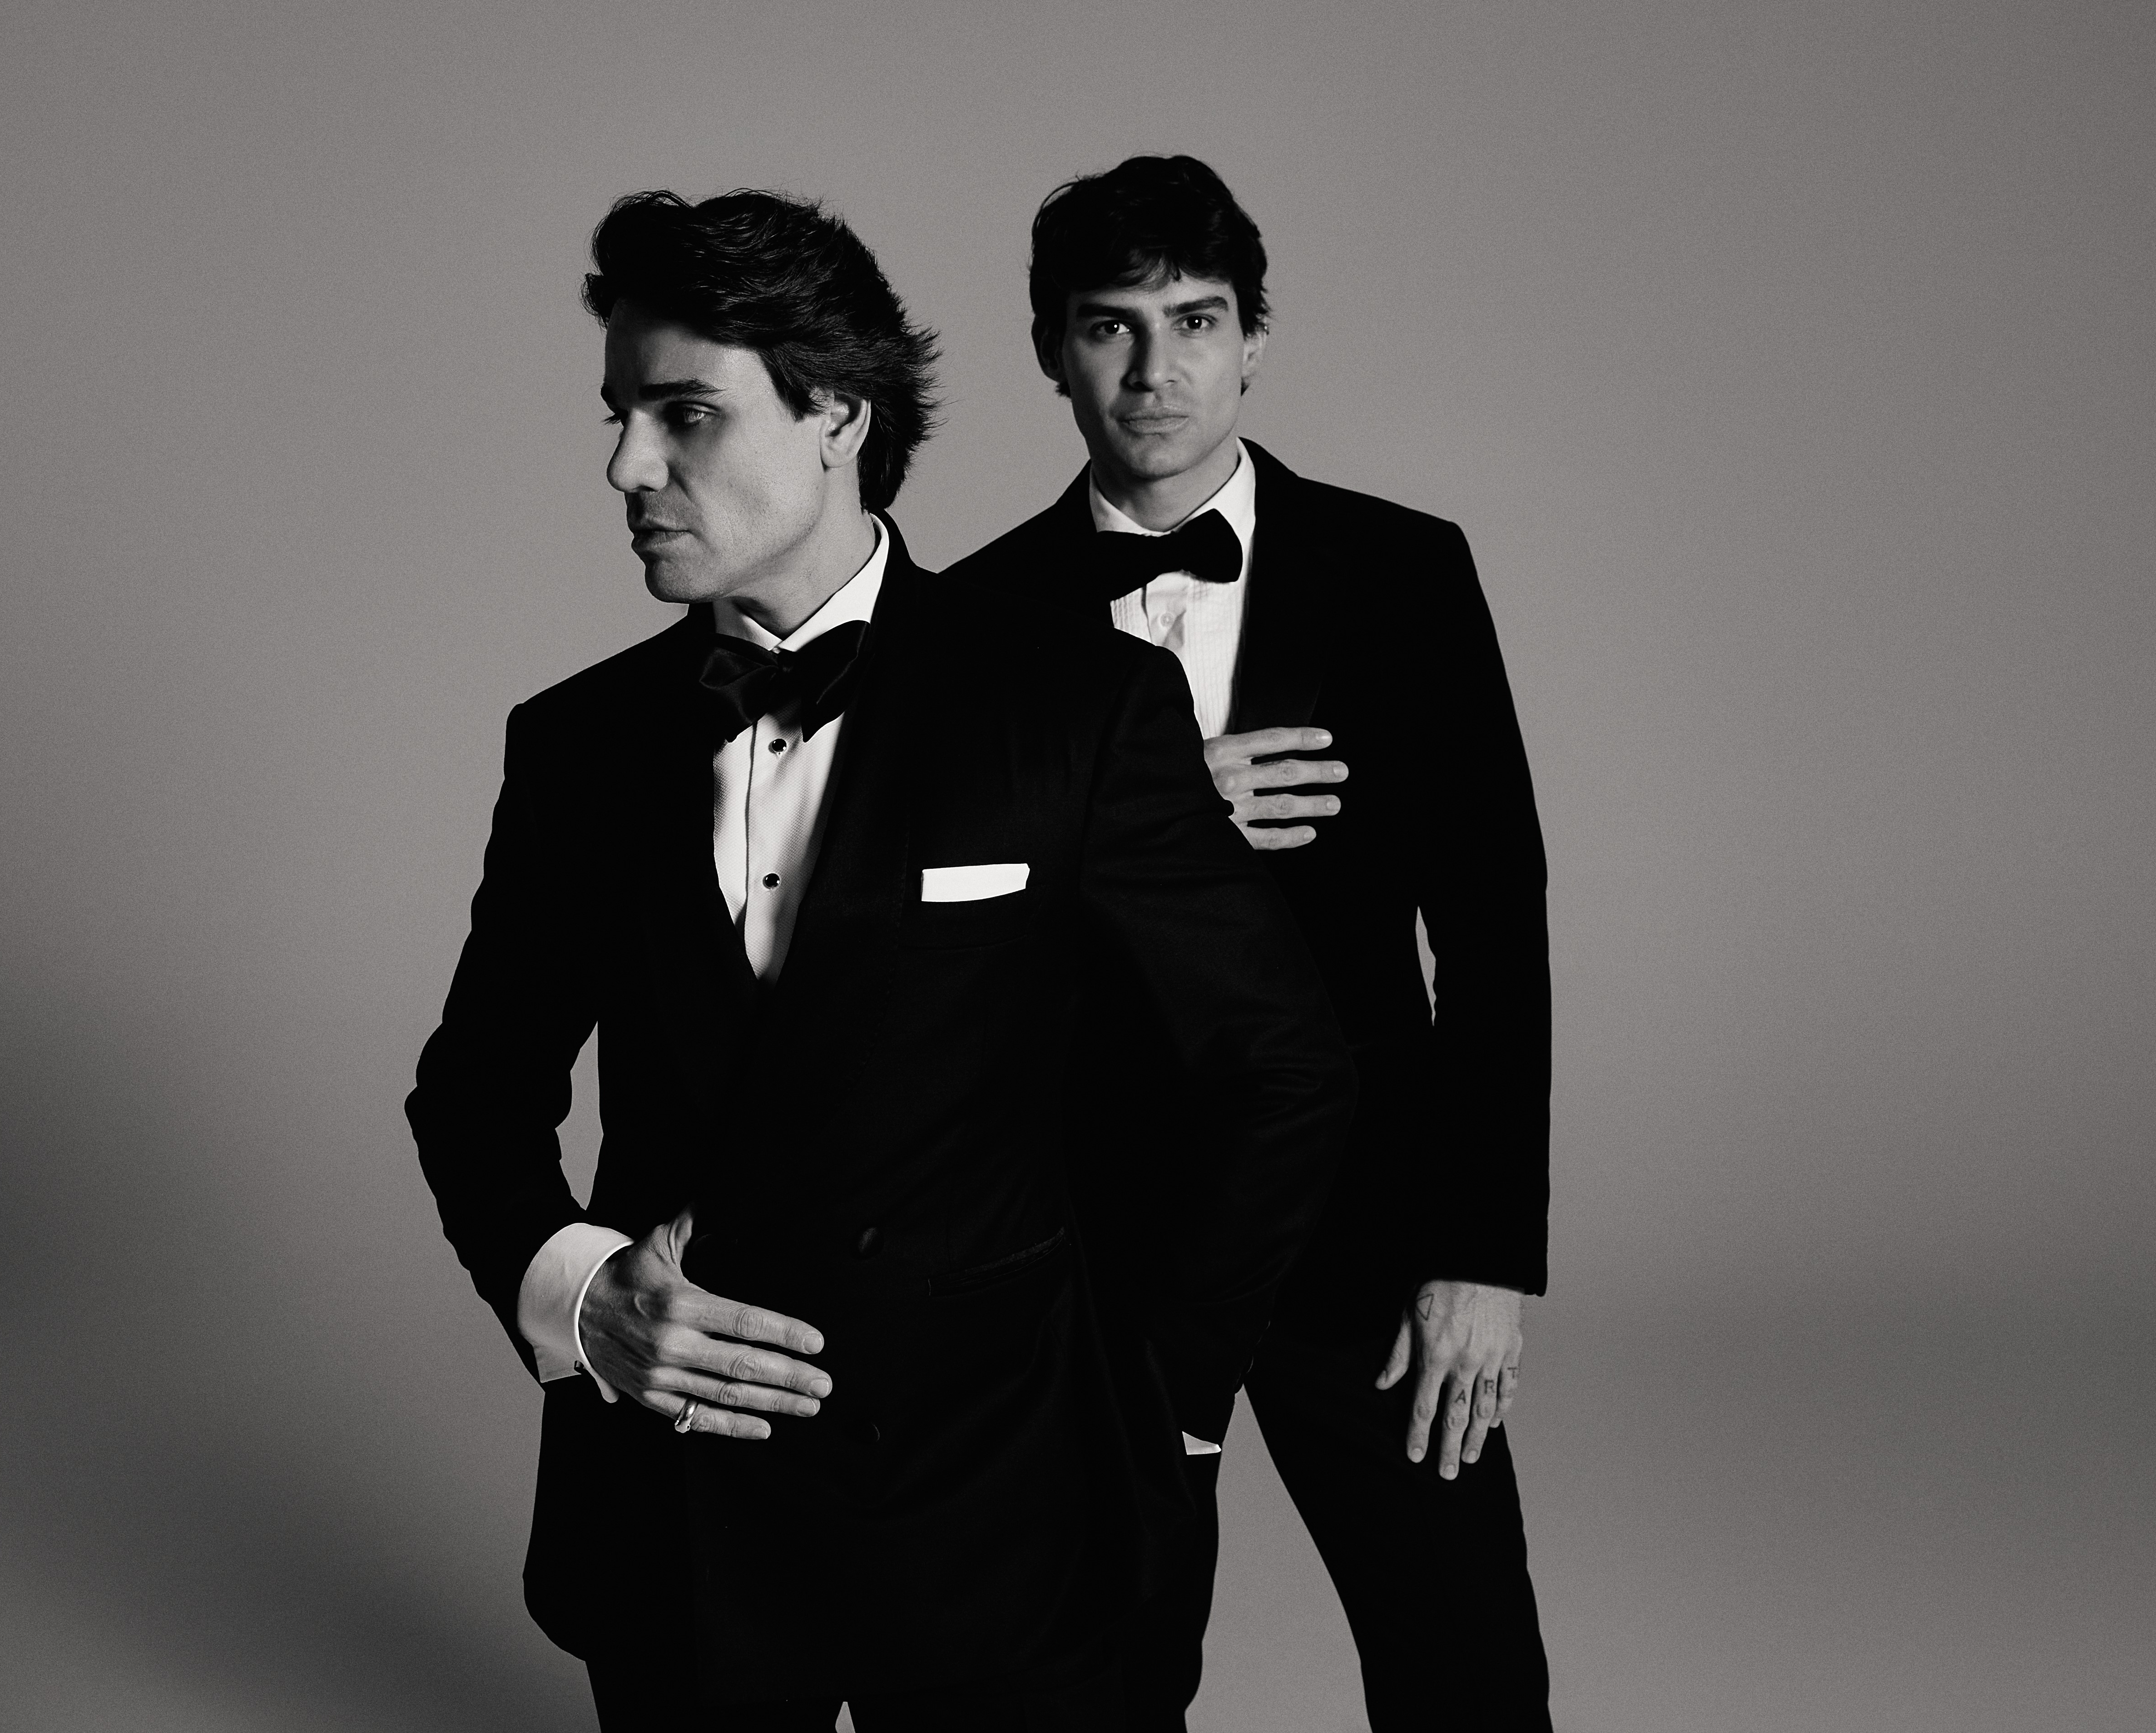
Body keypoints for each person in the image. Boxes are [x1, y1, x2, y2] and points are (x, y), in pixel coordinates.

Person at [405, 186, 1356, 1732]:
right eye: (620, 416)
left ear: (837, 413)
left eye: (684, 415)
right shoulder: (579, 745)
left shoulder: (1077, 712)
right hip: (682, 1520)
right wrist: (579, 1295)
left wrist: (1166, 1398)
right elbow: (475, 1093)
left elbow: (1281, 1068)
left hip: (1006, 1512)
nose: (626, 466)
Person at [947, 154, 1555, 1731]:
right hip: (1091, 1244)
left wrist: (1484, 1252)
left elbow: (1496, 928)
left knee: (1468, 1671)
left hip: (1366, 1221)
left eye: (1198, 321)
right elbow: (940, 962)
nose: (1157, 371)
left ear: (1256, 340)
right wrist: (1141, 817)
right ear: (1050, 348)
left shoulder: (1405, 571)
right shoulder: (971, 627)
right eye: (1111, 326)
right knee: (1090, 1678)